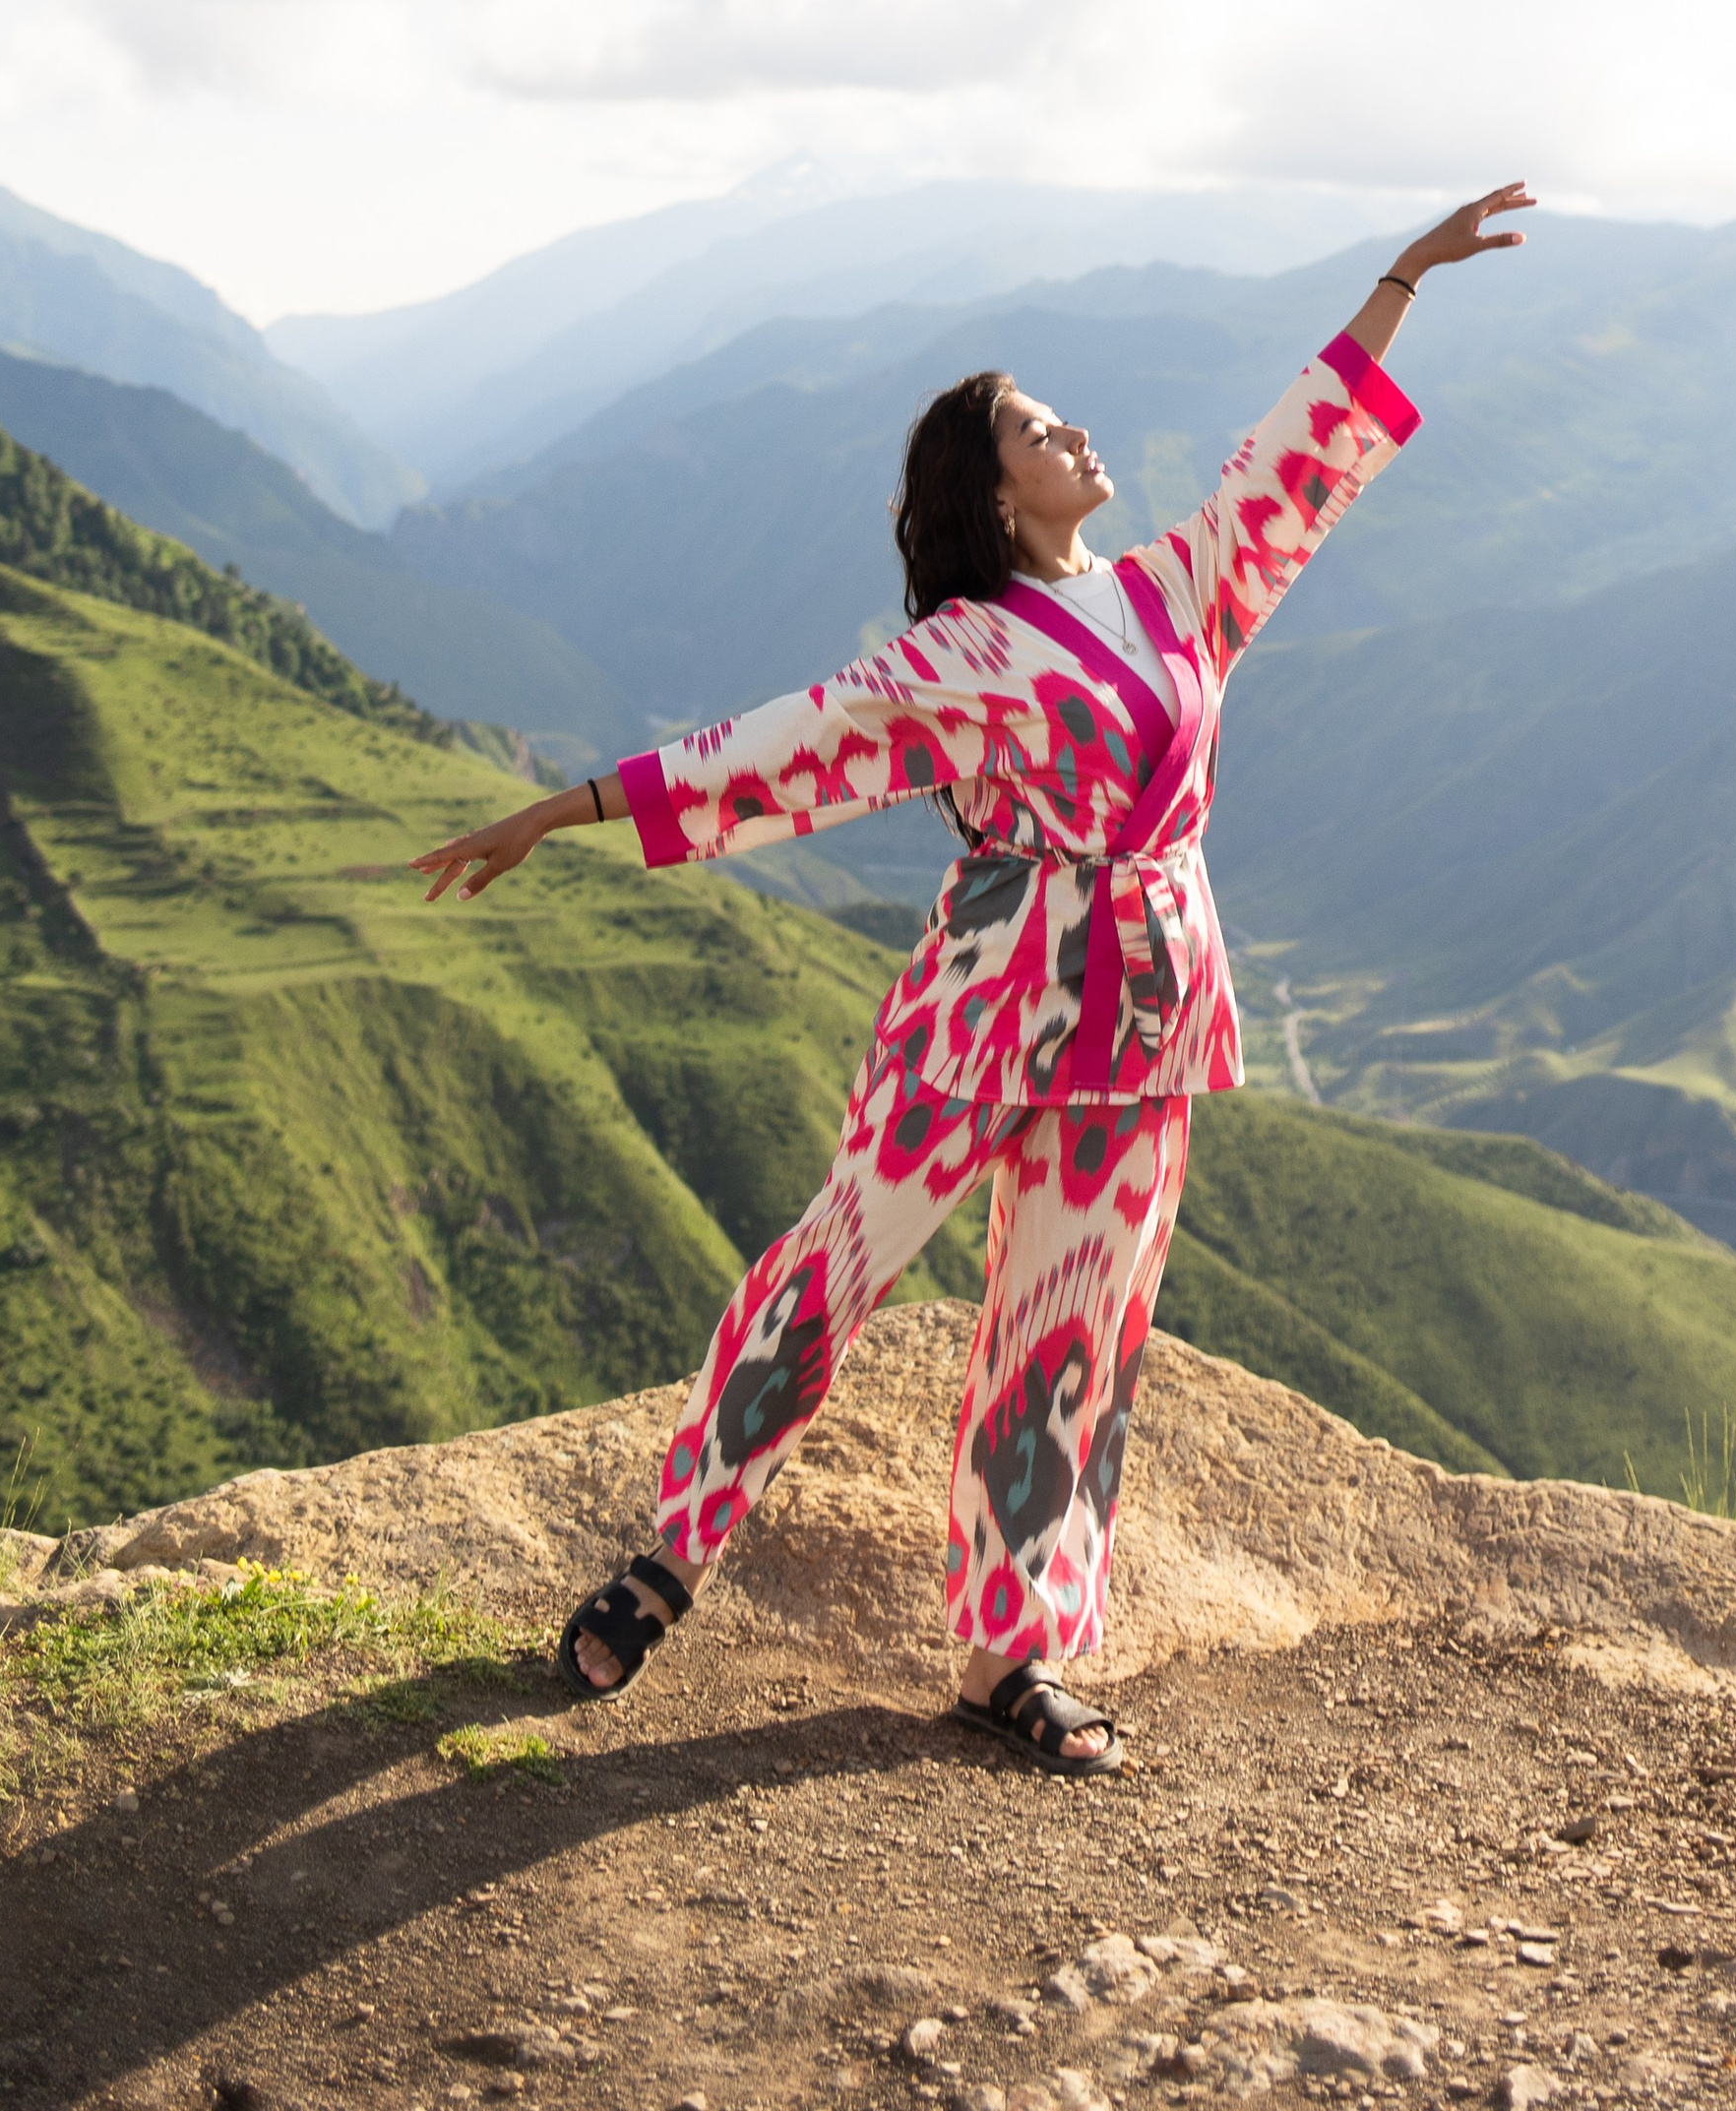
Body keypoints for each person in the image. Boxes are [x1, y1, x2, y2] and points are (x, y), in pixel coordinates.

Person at [414, 183, 1533, 1772]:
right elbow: (782, 741)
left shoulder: (1176, 591)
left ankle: (1013, 1650)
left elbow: (1289, 466)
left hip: (1140, 1013)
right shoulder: (953, 653)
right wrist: (564, 808)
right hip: (989, 998)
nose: (1072, 434)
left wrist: (1398, 279)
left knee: (1068, 1332)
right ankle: (673, 1548)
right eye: (1033, 425)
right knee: (838, 1266)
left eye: (1061, 415)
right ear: (987, 486)